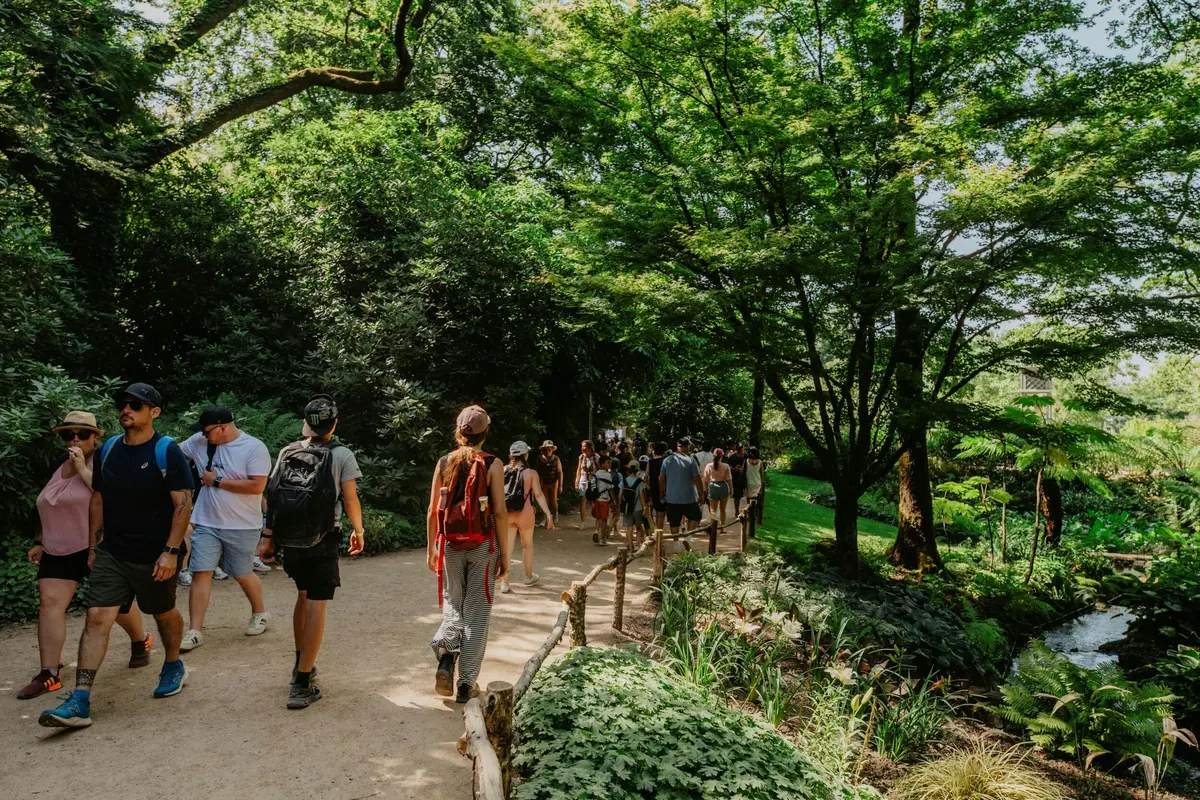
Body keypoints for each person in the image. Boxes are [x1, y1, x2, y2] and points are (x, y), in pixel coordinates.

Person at [40, 384, 194, 729]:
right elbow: (99, 496)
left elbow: (183, 504)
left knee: (163, 613)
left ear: (154, 411)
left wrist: (170, 552)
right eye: (122, 404)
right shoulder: (109, 449)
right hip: (113, 552)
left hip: (155, 554)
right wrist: (96, 545)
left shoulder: (167, 451)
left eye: (135, 404)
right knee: (97, 616)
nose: (126, 409)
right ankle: (80, 699)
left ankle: (172, 663)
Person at [19, 412, 153, 700]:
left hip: (99, 545)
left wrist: (81, 467)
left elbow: (114, 495)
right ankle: (49, 673)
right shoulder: (58, 467)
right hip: (57, 546)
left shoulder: (108, 460)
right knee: (49, 603)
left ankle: (141, 639)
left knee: (113, 608)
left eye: (82, 434)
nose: (75, 439)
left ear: (95, 437)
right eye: (69, 435)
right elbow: (50, 504)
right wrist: (40, 540)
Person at [258, 394, 364, 710]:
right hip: (323, 538)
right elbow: (350, 499)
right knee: (317, 604)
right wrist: (359, 531)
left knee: (303, 595)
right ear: (334, 424)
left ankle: (300, 663)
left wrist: (268, 537)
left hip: (290, 540)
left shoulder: (287, 451)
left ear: (305, 423)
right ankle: (302, 684)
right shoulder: (342, 455)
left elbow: (271, 497)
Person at [427, 406, 510, 704]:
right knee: (476, 611)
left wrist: (431, 548)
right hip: (483, 545)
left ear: (458, 431)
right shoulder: (493, 464)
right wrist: (504, 555)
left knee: (453, 602)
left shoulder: (443, 461)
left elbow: (432, 511)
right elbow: (499, 512)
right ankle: (466, 684)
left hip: (449, 543)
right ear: (486, 433)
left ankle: (446, 658)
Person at [177, 406, 272, 652]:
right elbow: (173, 453)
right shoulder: (199, 441)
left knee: (241, 573)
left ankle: (260, 613)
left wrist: (217, 481)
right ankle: (195, 630)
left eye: (207, 431)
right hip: (207, 521)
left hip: (242, 524)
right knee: (201, 572)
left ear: (222, 427)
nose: (203, 435)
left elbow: (256, 486)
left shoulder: (254, 448)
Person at [500, 441, 555, 593]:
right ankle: (528, 577)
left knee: (507, 548)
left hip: (507, 513)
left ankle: (505, 583)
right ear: (525, 455)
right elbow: (538, 494)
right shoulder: (531, 474)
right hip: (525, 513)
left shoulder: (503, 470)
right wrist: (548, 514)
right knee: (527, 545)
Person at [660, 437, 704, 550]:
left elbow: (661, 478)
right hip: (689, 496)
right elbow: (697, 478)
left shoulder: (667, 460)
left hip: (672, 497)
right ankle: (688, 538)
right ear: (686, 447)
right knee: (694, 517)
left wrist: (662, 491)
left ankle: (676, 544)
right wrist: (701, 494)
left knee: (674, 521)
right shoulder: (690, 460)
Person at [533, 440, 563, 527]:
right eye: (546, 449)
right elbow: (535, 471)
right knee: (544, 501)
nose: (548, 451)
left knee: (553, 501)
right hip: (543, 483)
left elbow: (560, 472)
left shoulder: (556, 458)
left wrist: (560, 485)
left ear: (552, 449)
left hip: (553, 482)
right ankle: (544, 519)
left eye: (549, 449)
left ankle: (555, 514)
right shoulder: (539, 459)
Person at [619, 461, 650, 547]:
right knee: (639, 527)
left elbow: (620, 495)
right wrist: (644, 508)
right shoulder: (640, 482)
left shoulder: (623, 481)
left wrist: (619, 506)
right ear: (637, 471)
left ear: (627, 470)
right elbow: (641, 496)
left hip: (626, 508)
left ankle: (630, 546)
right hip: (638, 508)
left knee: (629, 528)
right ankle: (637, 545)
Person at [592, 454, 621, 546]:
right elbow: (610, 489)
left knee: (598, 517)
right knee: (604, 519)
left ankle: (596, 531)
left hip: (597, 499)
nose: (609, 465)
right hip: (605, 500)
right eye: (608, 463)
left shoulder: (596, 474)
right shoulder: (607, 475)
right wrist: (614, 501)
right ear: (602, 464)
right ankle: (602, 538)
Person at [704, 448, 734, 527]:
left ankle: (712, 527)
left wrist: (706, 490)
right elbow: (729, 480)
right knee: (723, 510)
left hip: (713, 487)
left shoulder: (708, 466)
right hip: (723, 487)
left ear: (713, 455)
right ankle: (722, 527)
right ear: (722, 456)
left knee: (713, 510)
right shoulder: (726, 466)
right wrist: (731, 490)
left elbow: (706, 480)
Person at [575, 439, 598, 524]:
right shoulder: (581, 457)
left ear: (589, 447)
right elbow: (578, 469)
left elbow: (599, 469)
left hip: (593, 480)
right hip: (583, 479)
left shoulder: (596, 456)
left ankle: (597, 517)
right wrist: (576, 481)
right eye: (582, 446)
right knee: (582, 500)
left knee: (594, 501)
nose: (582, 448)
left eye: (584, 446)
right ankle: (583, 521)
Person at [648, 442, 668, 533]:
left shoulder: (650, 462)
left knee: (657, 512)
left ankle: (656, 533)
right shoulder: (666, 461)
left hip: (653, 489)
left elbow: (645, 477)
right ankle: (658, 536)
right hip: (663, 489)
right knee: (661, 514)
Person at [745, 446, 765, 524]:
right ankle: (754, 515)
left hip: (749, 482)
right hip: (757, 483)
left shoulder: (747, 461)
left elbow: (744, 472)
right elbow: (762, 474)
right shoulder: (760, 462)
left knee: (748, 500)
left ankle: (749, 515)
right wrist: (762, 483)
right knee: (755, 500)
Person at [727, 442, 747, 517]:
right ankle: (736, 511)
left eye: (742, 449)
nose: (742, 451)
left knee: (747, 496)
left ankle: (747, 512)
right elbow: (728, 468)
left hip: (745, 479)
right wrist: (735, 469)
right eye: (740, 449)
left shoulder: (746, 457)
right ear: (737, 449)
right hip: (736, 480)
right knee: (737, 497)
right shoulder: (732, 458)